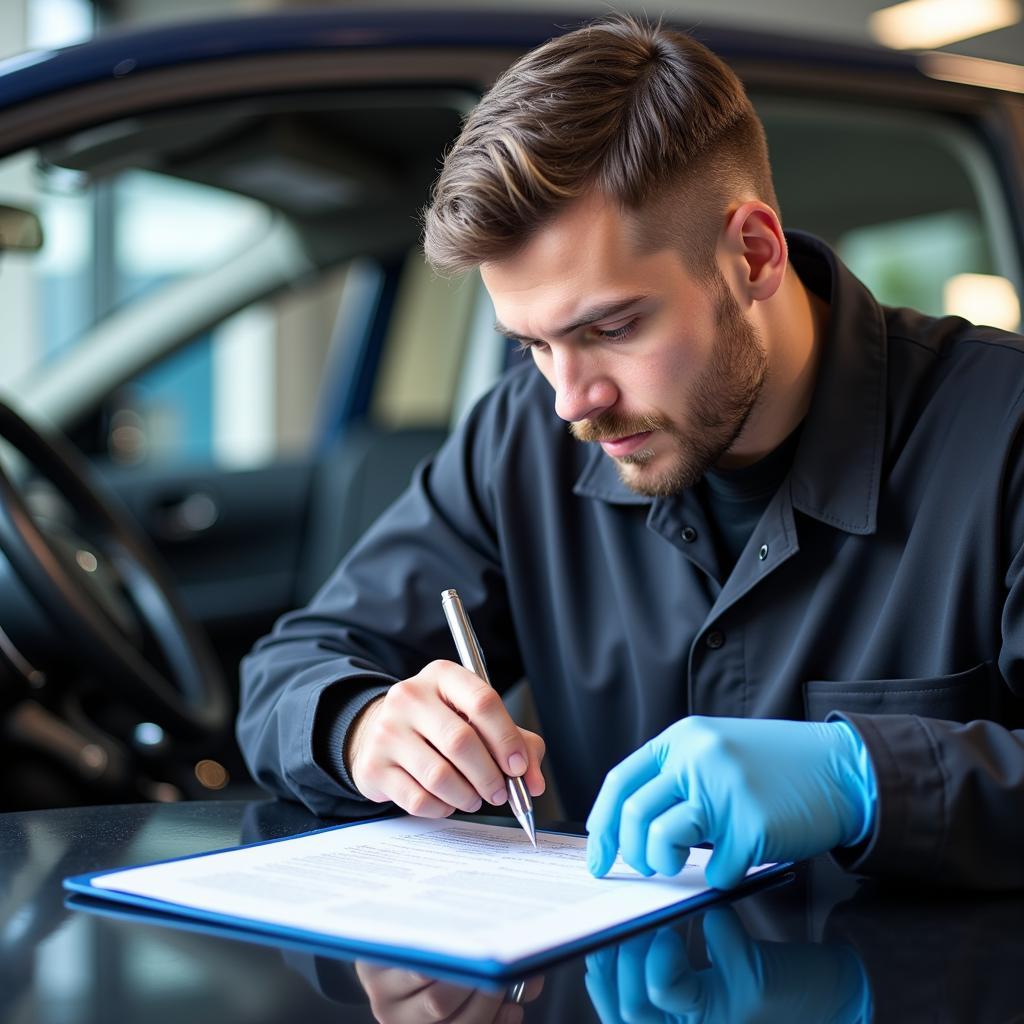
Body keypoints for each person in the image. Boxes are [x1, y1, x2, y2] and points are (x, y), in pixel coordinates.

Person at [237, 16, 1024, 890]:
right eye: (533, 345)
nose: (573, 400)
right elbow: (289, 668)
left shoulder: (1007, 432)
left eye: (611, 328)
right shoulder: (520, 440)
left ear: (752, 254)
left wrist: (868, 778)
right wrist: (363, 724)